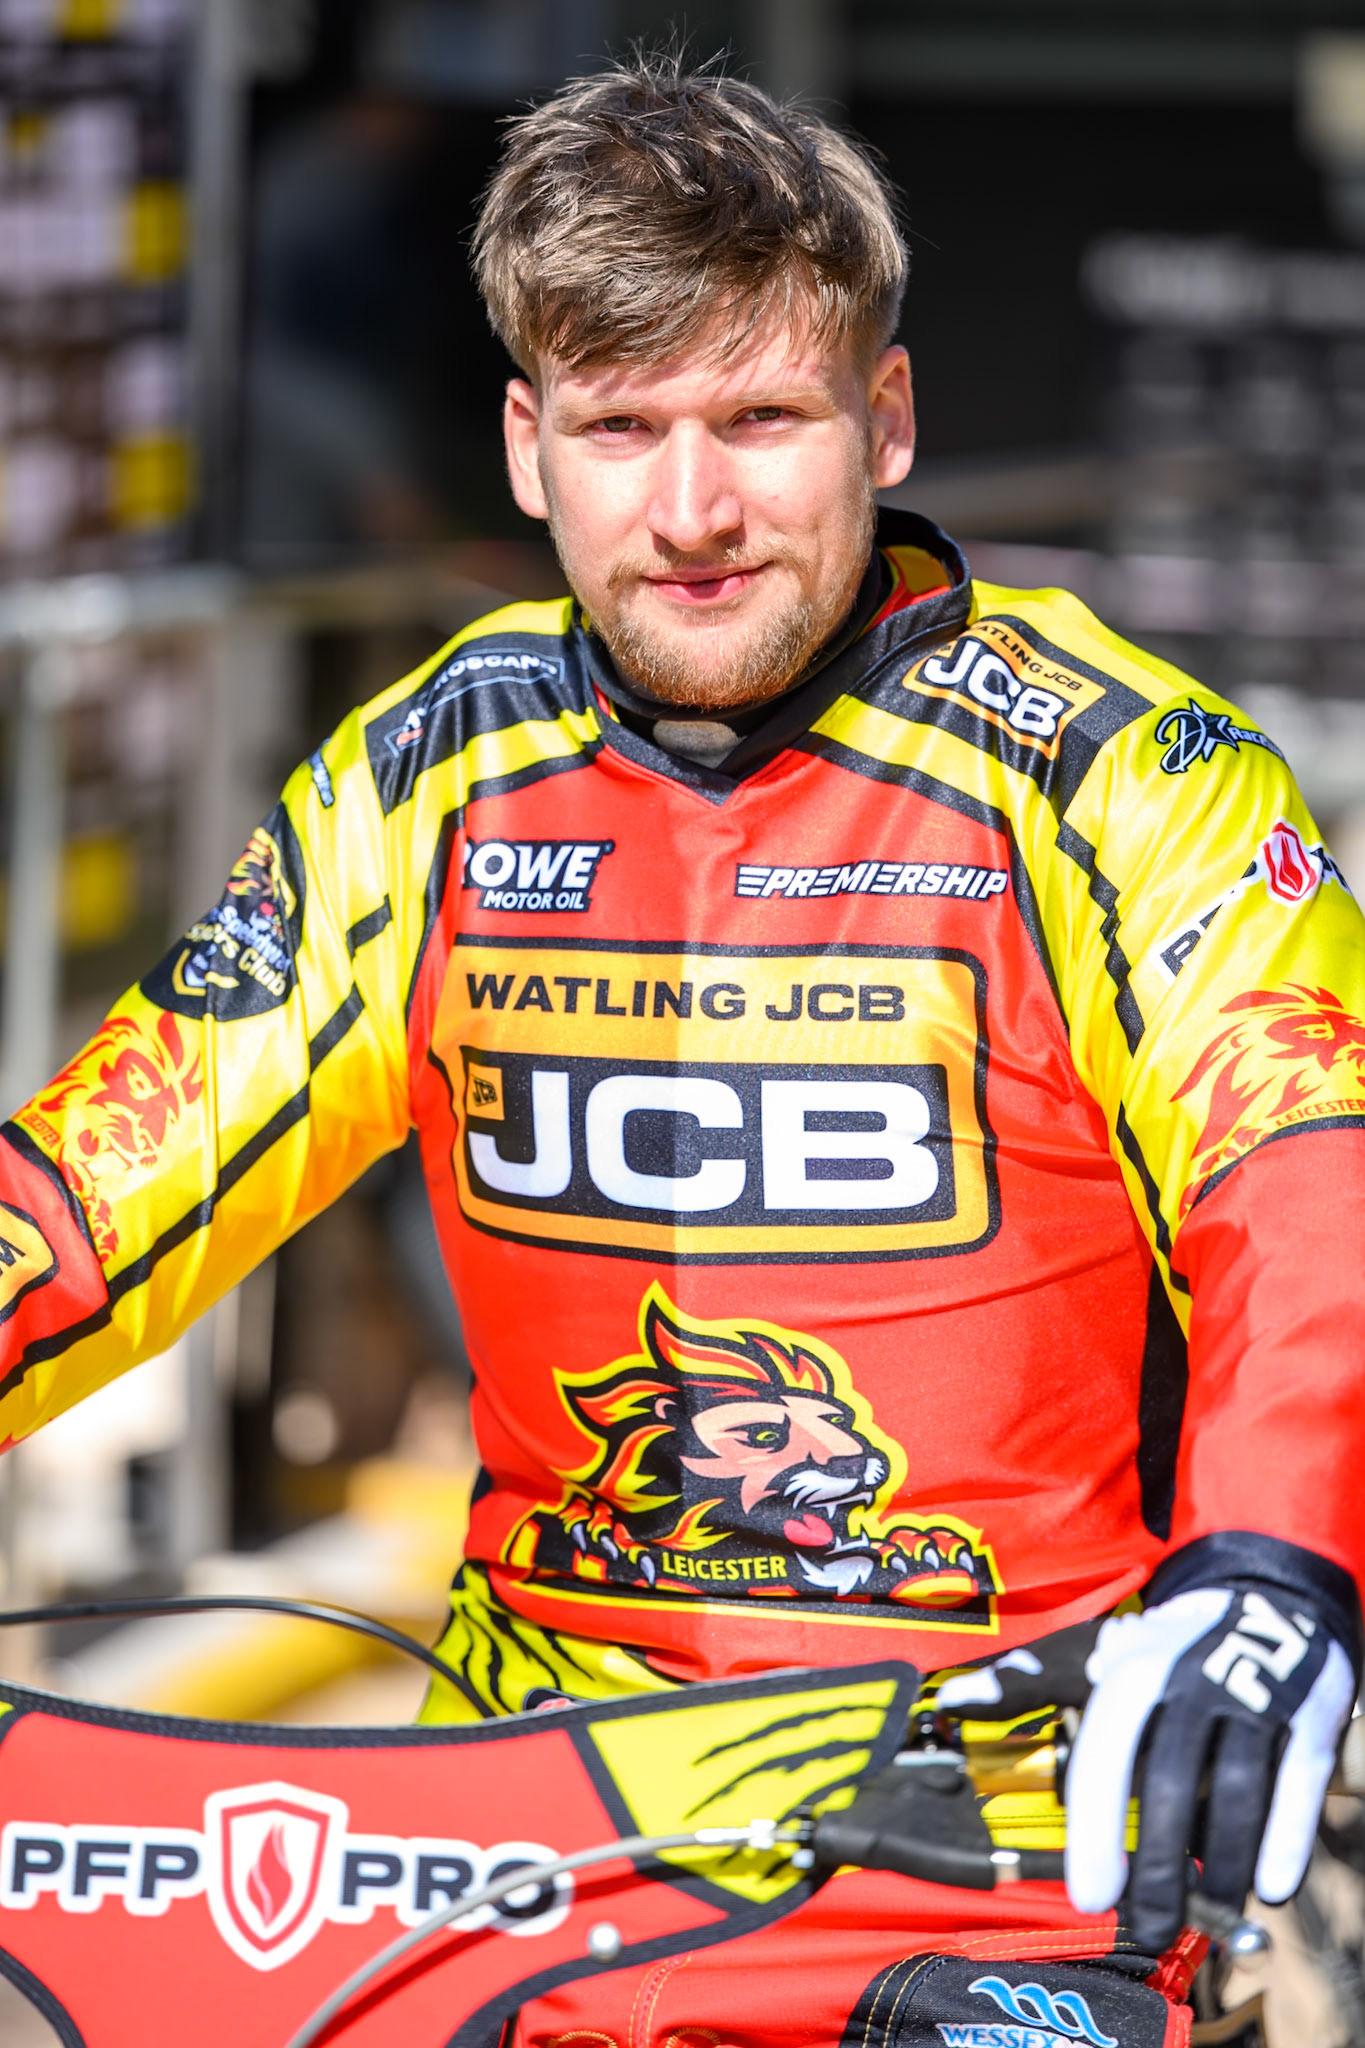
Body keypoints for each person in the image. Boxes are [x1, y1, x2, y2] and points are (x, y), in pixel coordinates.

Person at [1, 51, 1362, 2047]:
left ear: (883, 417)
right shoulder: (439, 768)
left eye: (761, 418)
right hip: (501, 1839)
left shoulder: (1111, 767)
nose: (695, 509)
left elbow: (1305, 1177)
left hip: (990, 1829)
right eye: (621, 428)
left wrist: (1267, 1565)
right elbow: (110, 1177)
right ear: (526, 446)